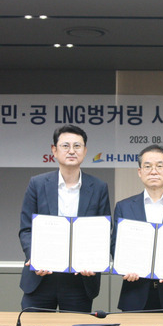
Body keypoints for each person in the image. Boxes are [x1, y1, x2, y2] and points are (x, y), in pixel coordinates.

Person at [19, 124, 111, 312]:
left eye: (77, 146)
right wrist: (35, 257)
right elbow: (26, 229)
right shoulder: (37, 184)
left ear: (85, 151)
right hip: (41, 277)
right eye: (65, 146)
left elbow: (103, 232)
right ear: (54, 150)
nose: (71, 151)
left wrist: (93, 261)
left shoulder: (99, 187)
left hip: (80, 281)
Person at [111, 144, 163, 312]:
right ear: (139, 171)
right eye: (148, 166)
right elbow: (116, 244)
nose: (153, 171)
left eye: (159, 166)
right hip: (134, 292)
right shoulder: (124, 207)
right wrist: (125, 266)